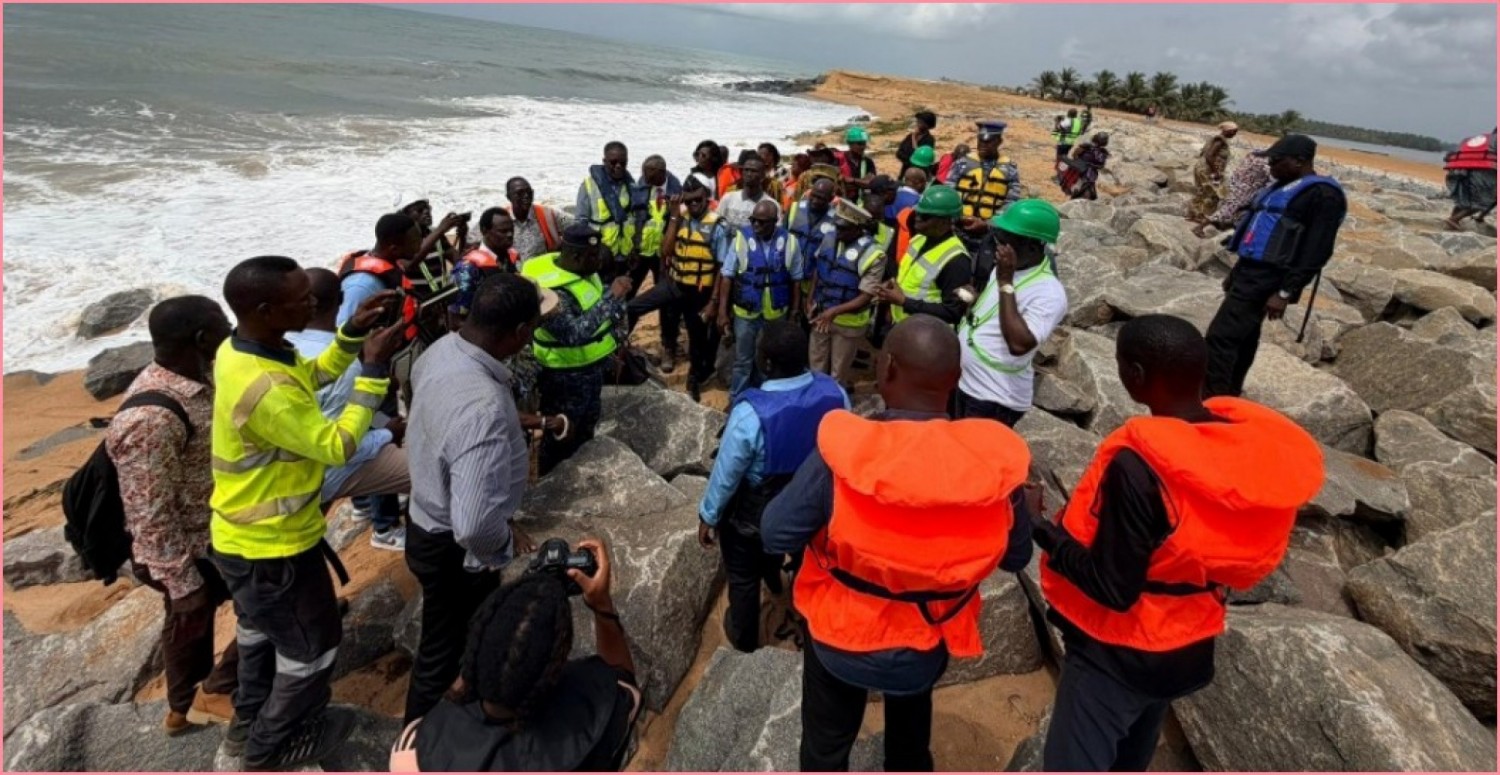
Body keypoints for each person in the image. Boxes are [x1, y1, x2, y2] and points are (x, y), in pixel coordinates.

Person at [1032, 314, 1324, 771]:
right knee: (1133, 753)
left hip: (1118, 652)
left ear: (1136, 377)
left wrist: (1041, 528)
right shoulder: (1241, 450)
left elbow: (1114, 589)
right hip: (1188, 643)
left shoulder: (1138, 467)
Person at [762, 315, 1034, 772]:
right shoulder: (993, 464)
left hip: (840, 637)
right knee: (910, 743)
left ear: (886, 368)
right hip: (928, 638)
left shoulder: (845, 452)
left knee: (825, 748)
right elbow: (1018, 556)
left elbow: (775, 534)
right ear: (957, 378)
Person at [211, 256, 405, 769]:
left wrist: (348, 340)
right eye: (304, 301)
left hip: (243, 538)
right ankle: (267, 749)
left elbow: (311, 375)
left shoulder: (251, 350)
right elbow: (338, 444)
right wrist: (373, 372)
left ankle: (246, 726)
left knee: (257, 636)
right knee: (313, 648)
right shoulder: (266, 389)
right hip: (273, 545)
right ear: (266, 309)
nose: (314, 305)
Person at [402, 274, 553, 724]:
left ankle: (454, 708)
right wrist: (496, 550)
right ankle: (420, 736)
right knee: (443, 649)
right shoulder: (482, 406)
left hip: (424, 515)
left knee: (454, 637)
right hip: (453, 544)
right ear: (522, 333)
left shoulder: (441, 351)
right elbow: (471, 525)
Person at [389, 539, 641, 772]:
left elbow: (460, 689)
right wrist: (601, 605)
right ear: (555, 673)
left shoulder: (414, 748)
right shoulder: (601, 720)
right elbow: (623, 678)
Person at [106, 295, 238, 736]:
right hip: (190, 545)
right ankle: (197, 699)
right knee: (193, 616)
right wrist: (182, 582)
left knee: (196, 624)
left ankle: (186, 704)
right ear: (202, 339)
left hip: (217, 526)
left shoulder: (197, 379)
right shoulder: (150, 419)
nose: (231, 330)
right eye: (224, 324)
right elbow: (148, 513)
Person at [698, 322, 846, 653]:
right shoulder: (835, 393)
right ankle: (806, 618)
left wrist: (708, 516)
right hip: (811, 507)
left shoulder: (751, 412)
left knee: (742, 577)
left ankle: (745, 638)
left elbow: (726, 474)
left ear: (764, 364)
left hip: (756, 512)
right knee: (807, 559)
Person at [1205, 134, 1346, 397]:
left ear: (1300, 161)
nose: (1270, 167)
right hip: (1250, 271)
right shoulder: (1281, 186)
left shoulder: (1322, 195)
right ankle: (1229, 393)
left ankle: (1212, 400)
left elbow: (1317, 250)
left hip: (1270, 276)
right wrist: (1235, 273)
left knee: (1220, 337)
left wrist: (1285, 292)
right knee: (1244, 337)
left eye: (1276, 161)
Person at [287, 269, 411, 551]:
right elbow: (340, 448)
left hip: (293, 469)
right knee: (432, 472)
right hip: (324, 466)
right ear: (342, 300)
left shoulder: (283, 349)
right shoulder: (349, 369)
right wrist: (387, 433)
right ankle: (389, 530)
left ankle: (361, 508)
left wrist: (353, 331)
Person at [522, 224, 632, 474]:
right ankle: (551, 485)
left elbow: (593, 305)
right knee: (561, 436)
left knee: (586, 430)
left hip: (590, 370)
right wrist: (612, 297)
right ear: (574, 256)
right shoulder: (549, 292)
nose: (599, 261)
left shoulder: (581, 269)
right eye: (593, 257)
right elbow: (574, 333)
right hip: (563, 377)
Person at [955, 200, 1067, 426]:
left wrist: (1005, 282)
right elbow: (1001, 311)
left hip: (994, 399)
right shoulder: (1009, 267)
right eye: (998, 238)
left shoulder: (1049, 292)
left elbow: (1019, 344)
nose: (998, 247)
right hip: (968, 385)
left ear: (1034, 247)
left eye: (1006, 242)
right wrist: (976, 300)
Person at [626, 177, 730, 400]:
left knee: (697, 339)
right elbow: (665, 251)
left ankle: (693, 381)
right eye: (689, 200)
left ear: (706, 198)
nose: (694, 205)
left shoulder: (718, 226)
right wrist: (673, 215)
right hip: (675, 285)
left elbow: (723, 269)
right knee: (632, 307)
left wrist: (714, 303)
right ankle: (623, 353)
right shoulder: (679, 218)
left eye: (698, 200)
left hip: (699, 293)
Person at [718, 200, 804, 399]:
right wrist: (723, 311)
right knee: (743, 360)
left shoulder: (790, 242)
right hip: (746, 312)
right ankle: (736, 398)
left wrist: (794, 312)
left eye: (762, 222)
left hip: (776, 314)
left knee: (770, 359)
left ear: (775, 222)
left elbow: (797, 279)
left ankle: (766, 396)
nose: (756, 225)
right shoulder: (741, 239)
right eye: (753, 220)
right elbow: (727, 275)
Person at [807, 200, 887, 388]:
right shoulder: (830, 237)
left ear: (858, 229)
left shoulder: (874, 254)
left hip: (849, 324)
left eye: (844, 229)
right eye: (837, 226)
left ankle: (833, 410)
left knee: (837, 375)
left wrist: (833, 312)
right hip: (821, 313)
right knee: (815, 368)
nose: (838, 232)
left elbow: (866, 296)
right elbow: (820, 270)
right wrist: (810, 299)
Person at [873, 185, 972, 326]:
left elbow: (953, 313)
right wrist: (892, 294)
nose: (917, 218)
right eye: (917, 212)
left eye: (924, 216)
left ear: (944, 222)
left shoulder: (956, 260)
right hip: (903, 326)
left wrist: (904, 302)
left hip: (926, 336)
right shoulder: (918, 239)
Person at [450, 208, 520, 323]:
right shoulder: (467, 269)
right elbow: (456, 321)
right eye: (503, 231)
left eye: (512, 230)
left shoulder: (508, 256)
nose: (510, 235)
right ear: (484, 231)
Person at [577, 141, 637, 269]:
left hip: (626, 254)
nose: (618, 166)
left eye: (623, 162)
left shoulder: (632, 185)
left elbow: (637, 219)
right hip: (601, 255)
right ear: (604, 161)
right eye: (613, 162)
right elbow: (581, 223)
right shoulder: (588, 185)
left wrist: (635, 248)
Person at [946, 121, 1021, 220]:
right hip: (960, 221)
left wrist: (990, 223)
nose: (983, 145)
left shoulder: (1009, 169)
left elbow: (1011, 201)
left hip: (990, 226)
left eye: (988, 141)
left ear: (999, 141)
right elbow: (949, 191)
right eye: (980, 140)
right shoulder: (962, 163)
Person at [1195, 149, 1273, 238]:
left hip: (1235, 186)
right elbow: (1270, 180)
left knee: (1226, 209)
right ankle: (1200, 227)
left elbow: (1239, 170)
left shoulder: (1252, 154)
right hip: (1245, 192)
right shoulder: (1266, 162)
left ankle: (1219, 226)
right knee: (1225, 212)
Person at [506, 177, 572, 263]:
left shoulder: (549, 214)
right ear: (509, 197)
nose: (526, 196)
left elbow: (578, 228)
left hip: (543, 273)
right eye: (520, 193)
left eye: (529, 192)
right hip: (512, 274)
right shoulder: (500, 221)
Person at [1442, 129, 1497, 231]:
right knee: (1483, 200)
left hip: (1456, 170)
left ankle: (1477, 218)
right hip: (1482, 172)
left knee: (1464, 199)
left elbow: (1449, 155)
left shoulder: (1481, 138)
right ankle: (1454, 220)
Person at [1187, 122, 1238, 227]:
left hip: (1202, 167)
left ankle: (1193, 214)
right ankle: (1202, 216)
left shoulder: (1216, 139)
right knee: (1213, 193)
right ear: (1227, 130)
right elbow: (1209, 155)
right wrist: (1215, 171)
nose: (1235, 134)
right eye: (1234, 131)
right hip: (1207, 169)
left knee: (1202, 191)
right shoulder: (1220, 140)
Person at [716, 156, 780, 231]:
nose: (749, 174)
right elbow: (717, 225)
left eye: (754, 171)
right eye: (746, 170)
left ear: (762, 176)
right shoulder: (728, 198)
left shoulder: (771, 205)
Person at [1063, 133, 1111, 201]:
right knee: (1079, 187)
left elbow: (1101, 165)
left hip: (1089, 173)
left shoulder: (1102, 152)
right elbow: (1075, 155)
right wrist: (1080, 162)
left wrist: (1091, 165)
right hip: (1082, 171)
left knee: (1088, 189)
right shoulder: (1087, 147)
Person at [896, 110, 938, 178]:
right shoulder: (910, 136)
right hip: (904, 172)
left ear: (927, 125)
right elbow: (899, 153)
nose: (918, 123)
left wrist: (914, 139)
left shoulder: (929, 140)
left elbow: (920, 156)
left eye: (921, 122)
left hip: (918, 175)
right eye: (918, 121)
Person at [839, 127, 877, 192]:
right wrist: (860, 182)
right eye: (859, 144)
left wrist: (852, 180)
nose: (863, 147)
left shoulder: (868, 162)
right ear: (850, 144)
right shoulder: (839, 159)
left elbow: (870, 182)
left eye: (864, 143)